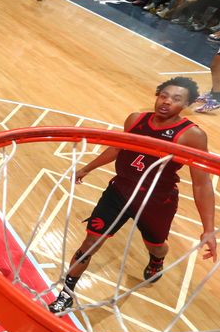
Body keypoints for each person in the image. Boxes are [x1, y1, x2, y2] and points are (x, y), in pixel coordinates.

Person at [48, 77, 217, 313]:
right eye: (164, 95)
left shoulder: (192, 135)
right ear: (157, 95)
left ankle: (157, 260)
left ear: (186, 105)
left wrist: (208, 228)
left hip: (156, 201)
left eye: (176, 99)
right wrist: (88, 168)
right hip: (119, 191)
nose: (167, 102)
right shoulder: (136, 119)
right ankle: (66, 293)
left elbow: (202, 184)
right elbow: (117, 148)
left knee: (156, 246)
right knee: (89, 243)